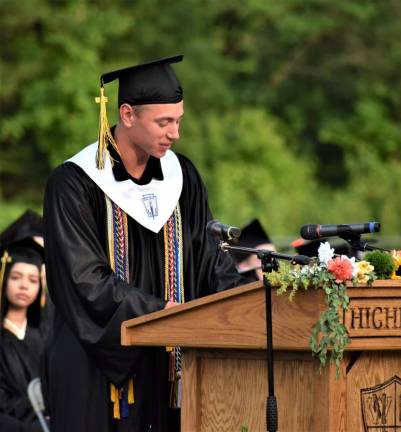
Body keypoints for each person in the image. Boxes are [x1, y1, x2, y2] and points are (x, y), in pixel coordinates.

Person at [42, 55, 245, 432]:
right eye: (164, 122)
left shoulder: (182, 176)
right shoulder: (74, 183)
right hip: (95, 369)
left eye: (179, 121)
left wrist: (254, 296)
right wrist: (160, 313)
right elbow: (83, 279)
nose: (175, 133)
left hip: (169, 368)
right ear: (127, 114)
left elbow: (208, 261)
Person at [0, 237, 46, 431]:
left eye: (33, 280)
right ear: (3, 278)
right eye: (16, 277)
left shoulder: (45, 337)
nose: (24, 286)